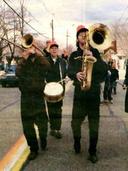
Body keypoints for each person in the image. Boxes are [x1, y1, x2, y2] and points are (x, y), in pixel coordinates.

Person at [67, 25, 107, 163]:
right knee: (75, 123)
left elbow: (103, 72)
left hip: (93, 94)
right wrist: (75, 74)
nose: (84, 36)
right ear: (77, 38)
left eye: (85, 34)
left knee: (94, 124)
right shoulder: (73, 55)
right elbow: (69, 71)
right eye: (81, 34)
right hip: (79, 95)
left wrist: (93, 58)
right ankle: (77, 141)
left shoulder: (95, 52)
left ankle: (92, 151)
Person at [16, 45, 50, 160]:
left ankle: (43, 137)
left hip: (38, 96)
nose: (28, 50)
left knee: (42, 123)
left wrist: (37, 54)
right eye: (27, 48)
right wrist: (24, 59)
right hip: (25, 98)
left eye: (31, 47)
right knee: (27, 126)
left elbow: (47, 66)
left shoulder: (40, 60)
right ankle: (33, 149)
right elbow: (18, 73)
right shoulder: (22, 61)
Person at [45, 42, 67, 138]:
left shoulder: (62, 61)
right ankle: (53, 128)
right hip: (49, 88)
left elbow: (66, 72)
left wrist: (66, 77)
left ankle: (57, 129)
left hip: (59, 89)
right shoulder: (45, 61)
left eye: (55, 48)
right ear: (49, 50)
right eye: (52, 48)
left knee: (58, 109)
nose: (54, 50)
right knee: (50, 109)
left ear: (57, 50)